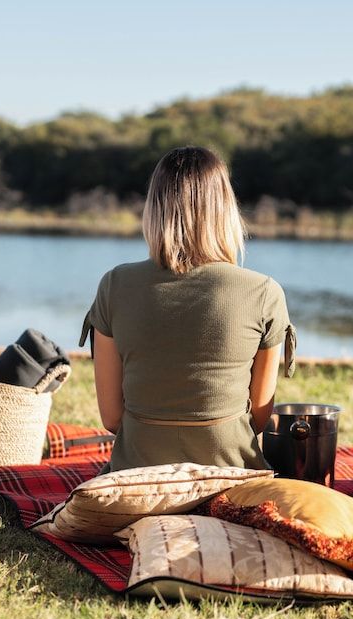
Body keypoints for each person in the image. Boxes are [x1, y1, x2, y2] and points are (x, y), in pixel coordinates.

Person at [80, 146, 295, 473]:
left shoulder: (115, 284)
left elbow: (111, 418)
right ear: (226, 210)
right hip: (230, 474)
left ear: (154, 209)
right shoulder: (264, 291)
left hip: (137, 475)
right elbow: (260, 418)